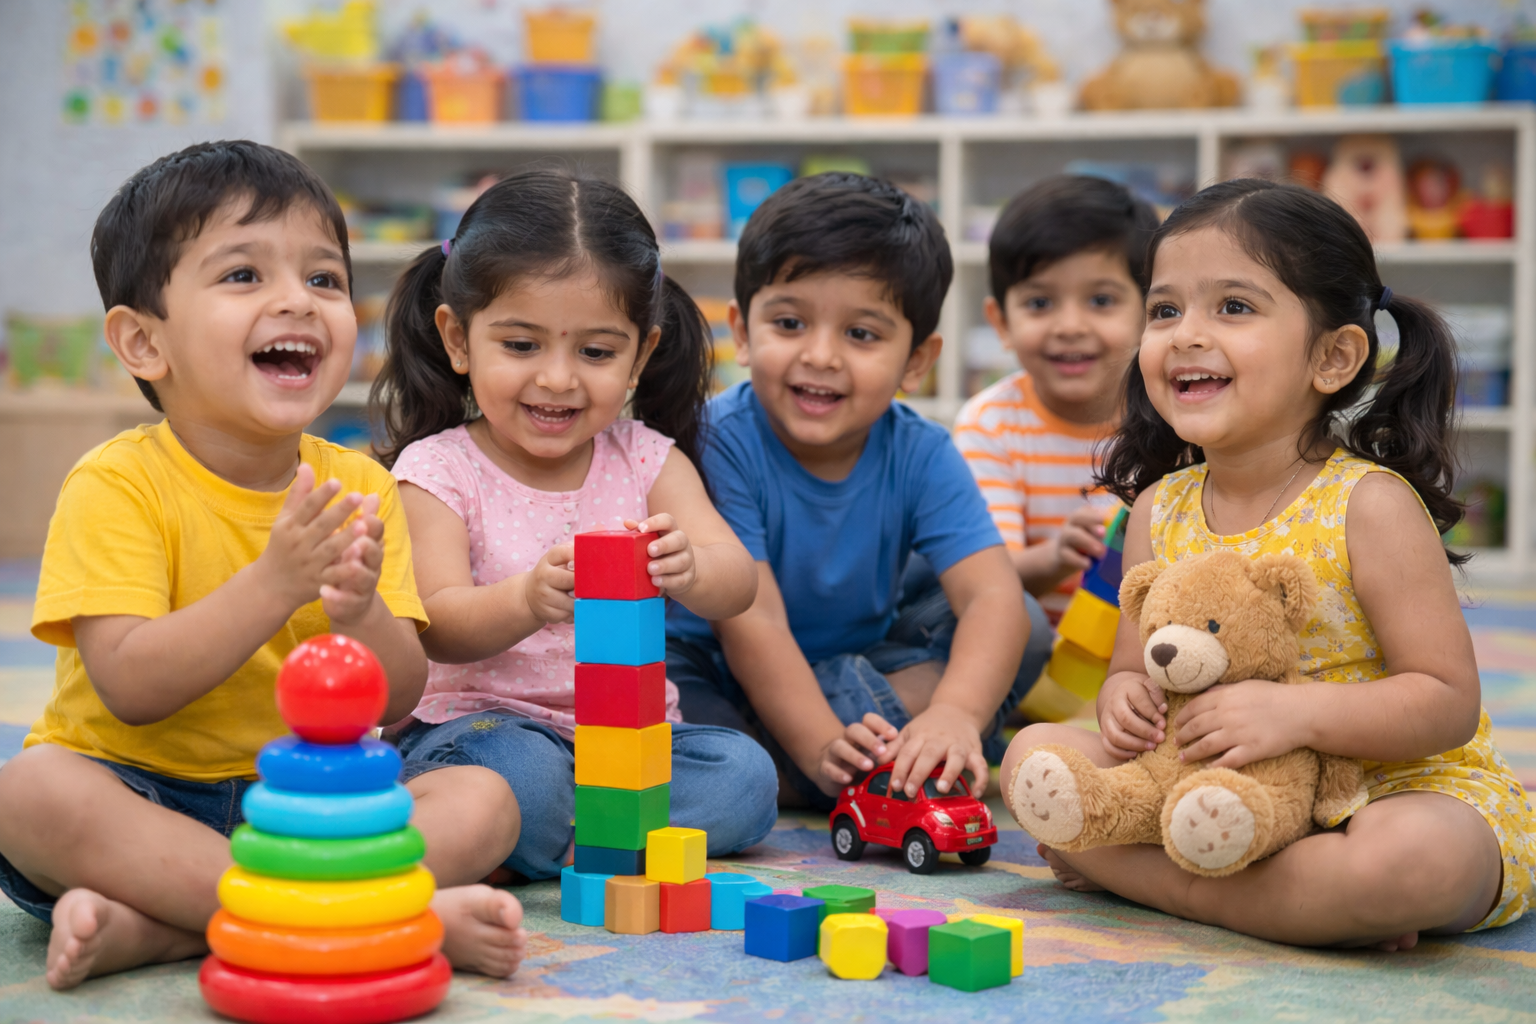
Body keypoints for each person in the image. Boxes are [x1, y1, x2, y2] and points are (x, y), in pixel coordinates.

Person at [0, 141, 528, 991]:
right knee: (28, 793)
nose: (298, 301)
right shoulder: (117, 484)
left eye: (323, 279)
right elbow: (131, 686)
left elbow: (395, 698)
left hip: (310, 804)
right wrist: (274, 583)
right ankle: (383, 919)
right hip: (141, 801)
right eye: (244, 275)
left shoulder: (357, 482)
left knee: (486, 800)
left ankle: (177, 927)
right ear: (142, 341)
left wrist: (357, 610)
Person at [1001, 178, 1536, 945]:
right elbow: (1129, 668)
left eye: (1234, 307)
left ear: (1332, 357)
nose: (1185, 333)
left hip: (1384, 790)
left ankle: (1169, 885)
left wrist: (1296, 715)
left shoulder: (1369, 504)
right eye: (1164, 309)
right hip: (1206, 785)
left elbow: (1445, 702)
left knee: (1414, 861)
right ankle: (1300, 904)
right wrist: (1124, 701)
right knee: (1034, 756)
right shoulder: (1158, 508)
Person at [375, 169, 776, 882]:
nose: (558, 380)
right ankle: (572, 833)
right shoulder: (438, 469)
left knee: (744, 777)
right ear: (459, 340)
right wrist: (526, 599)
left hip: (634, 743)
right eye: (521, 346)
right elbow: (434, 620)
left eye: (595, 353)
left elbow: (737, 580)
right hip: (486, 730)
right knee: (521, 778)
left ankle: (550, 843)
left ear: (640, 356)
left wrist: (694, 568)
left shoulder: (648, 460)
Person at [666, 172, 1048, 810]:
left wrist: (955, 711)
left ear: (917, 361)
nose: (820, 356)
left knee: (1025, 627)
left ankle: (869, 743)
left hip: (854, 657)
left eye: (861, 334)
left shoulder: (921, 449)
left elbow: (990, 595)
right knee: (716, 765)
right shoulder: (717, 439)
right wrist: (820, 748)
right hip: (715, 669)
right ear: (740, 329)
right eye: (789, 323)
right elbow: (751, 620)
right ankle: (816, 760)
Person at [953, 176, 1158, 624]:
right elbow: (986, 578)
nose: (1069, 325)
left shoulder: (1173, 417)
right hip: (1028, 653)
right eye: (1040, 303)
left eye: (1100, 300)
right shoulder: (990, 425)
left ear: (1149, 313)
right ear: (1000, 322)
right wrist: (1055, 557)